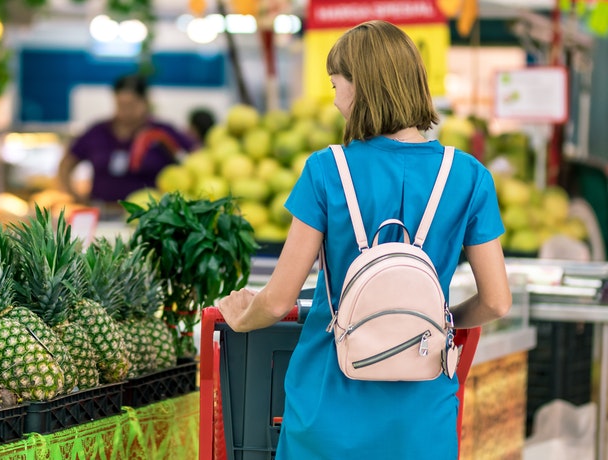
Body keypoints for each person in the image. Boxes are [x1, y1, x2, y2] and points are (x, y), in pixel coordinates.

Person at [216, 20, 512, 459]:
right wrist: (436, 323)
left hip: (327, 405)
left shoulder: (326, 170)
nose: (335, 100)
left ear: (362, 88)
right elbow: (497, 302)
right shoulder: (468, 177)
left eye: (337, 85)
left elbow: (279, 300)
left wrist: (242, 318)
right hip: (422, 413)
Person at [57, 74, 197, 207]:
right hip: (102, 212)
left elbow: (195, 158)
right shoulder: (97, 132)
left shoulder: (162, 133)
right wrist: (75, 196)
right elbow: (67, 164)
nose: (125, 111)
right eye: (120, 105)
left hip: (150, 216)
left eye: (131, 105)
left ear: (145, 102)